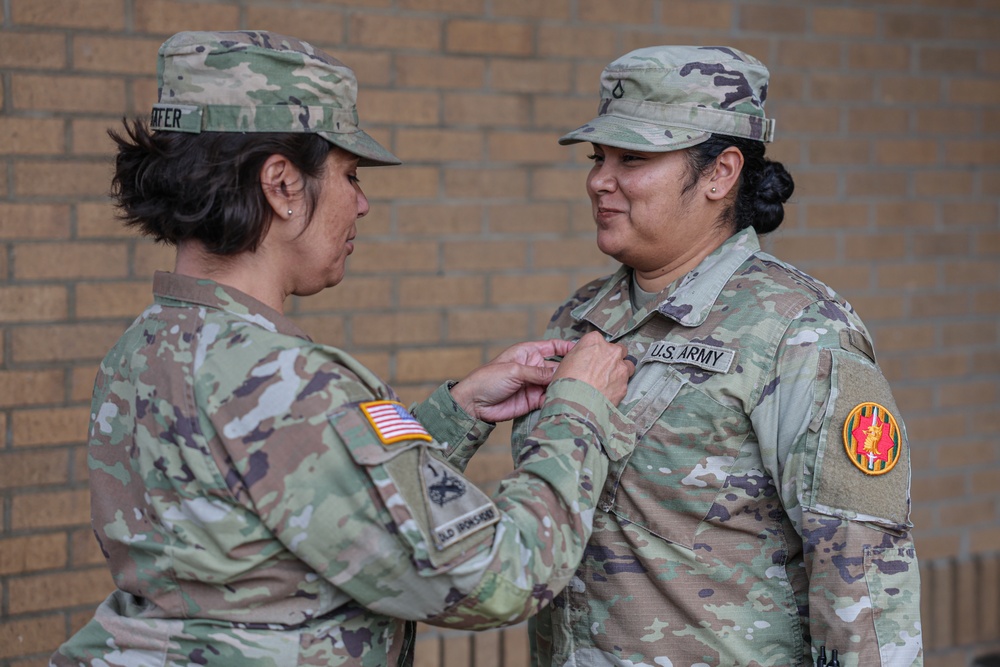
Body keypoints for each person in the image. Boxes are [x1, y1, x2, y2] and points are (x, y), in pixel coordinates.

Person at [51, 30, 637, 667]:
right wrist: (579, 415)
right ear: (281, 183)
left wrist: (458, 411)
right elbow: (499, 580)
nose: (362, 204)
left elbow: (303, 504)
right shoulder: (282, 381)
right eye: (350, 175)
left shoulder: (147, 345)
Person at [513, 45, 923, 666]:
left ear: (720, 173)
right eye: (600, 158)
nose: (600, 179)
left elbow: (861, 574)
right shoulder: (579, 318)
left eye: (635, 158)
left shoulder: (799, 331)